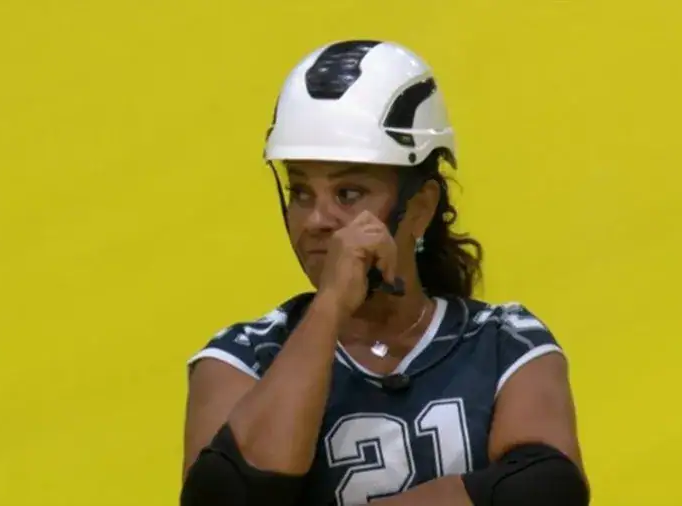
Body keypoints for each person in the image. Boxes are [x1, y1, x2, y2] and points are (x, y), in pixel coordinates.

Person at [180, 40, 589, 506]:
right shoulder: (241, 357)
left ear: (421, 207)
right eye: (301, 192)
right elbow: (224, 496)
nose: (317, 220)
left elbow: (544, 489)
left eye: (349, 193)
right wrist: (331, 305)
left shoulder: (506, 340)